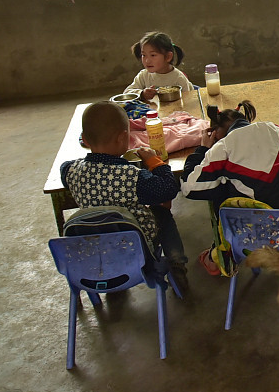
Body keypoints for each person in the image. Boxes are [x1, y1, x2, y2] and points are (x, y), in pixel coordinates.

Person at [61, 101, 189, 295]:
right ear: (124, 138)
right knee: (161, 211)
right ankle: (177, 263)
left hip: (96, 253)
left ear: (85, 140)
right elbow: (168, 189)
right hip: (137, 250)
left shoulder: (72, 172)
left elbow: (64, 167)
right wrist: (155, 162)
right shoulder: (132, 177)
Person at [181, 100, 279, 253]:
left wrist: (203, 149)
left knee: (219, 187)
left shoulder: (223, 147)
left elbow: (188, 187)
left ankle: (223, 252)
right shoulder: (273, 129)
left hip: (255, 243)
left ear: (215, 132)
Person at [124, 31, 195, 101]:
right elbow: (126, 93)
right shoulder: (143, 75)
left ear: (168, 57)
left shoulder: (178, 78)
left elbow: (188, 100)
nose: (147, 61)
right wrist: (142, 94)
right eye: (144, 55)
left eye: (153, 55)